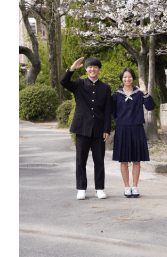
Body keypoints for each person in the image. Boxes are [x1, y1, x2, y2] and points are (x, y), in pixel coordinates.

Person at [60, 57, 112, 200]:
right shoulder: (78, 83)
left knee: (99, 160)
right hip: (81, 127)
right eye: (89, 67)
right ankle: (81, 188)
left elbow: (108, 110)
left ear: (99, 69)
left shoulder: (105, 88)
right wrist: (71, 69)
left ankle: (99, 189)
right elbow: (63, 82)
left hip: (98, 129)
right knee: (80, 159)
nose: (92, 69)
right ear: (85, 69)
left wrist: (107, 129)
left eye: (95, 67)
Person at [111, 68, 156, 198]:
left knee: (136, 160)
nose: (127, 79)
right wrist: (120, 122)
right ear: (121, 79)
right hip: (122, 129)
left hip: (137, 129)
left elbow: (151, 107)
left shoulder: (139, 94)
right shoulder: (116, 95)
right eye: (124, 77)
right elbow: (112, 112)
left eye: (129, 77)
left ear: (133, 78)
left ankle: (135, 187)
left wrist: (145, 91)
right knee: (123, 160)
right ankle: (126, 187)